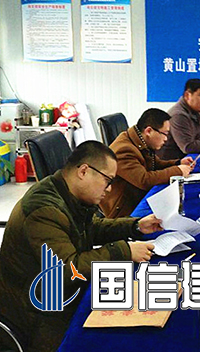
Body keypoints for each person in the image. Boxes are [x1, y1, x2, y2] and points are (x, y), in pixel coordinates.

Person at [0, 141, 162, 352]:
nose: (109, 189)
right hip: (37, 314)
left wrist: (135, 226)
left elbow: (92, 227)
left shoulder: (64, 192)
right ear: (84, 171)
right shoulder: (44, 211)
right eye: (107, 180)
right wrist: (124, 251)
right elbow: (67, 269)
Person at [100, 108, 195, 218]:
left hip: (135, 197)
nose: (166, 139)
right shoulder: (124, 150)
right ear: (149, 131)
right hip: (123, 210)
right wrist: (178, 171)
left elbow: (155, 164)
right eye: (164, 134)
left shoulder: (138, 140)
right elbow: (144, 180)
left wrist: (178, 163)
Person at [158, 78, 200, 160]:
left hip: (186, 160)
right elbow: (188, 147)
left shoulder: (197, 112)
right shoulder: (178, 115)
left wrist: (197, 143)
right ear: (187, 95)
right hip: (170, 163)